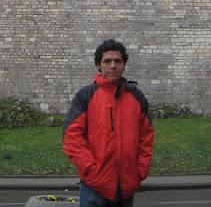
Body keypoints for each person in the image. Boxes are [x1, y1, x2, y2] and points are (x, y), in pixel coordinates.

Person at [63, 39, 154, 207]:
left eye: (118, 61)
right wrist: (91, 169)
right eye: (107, 61)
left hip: (126, 185)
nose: (113, 65)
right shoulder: (86, 96)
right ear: (99, 65)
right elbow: (71, 138)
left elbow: (146, 138)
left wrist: (140, 170)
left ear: (124, 64)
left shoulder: (136, 97)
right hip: (94, 186)